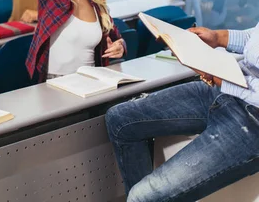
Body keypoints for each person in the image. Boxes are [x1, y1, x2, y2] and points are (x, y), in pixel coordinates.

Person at [105, 24, 259, 201]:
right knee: (121, 120)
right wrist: (219, 37)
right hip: (228, 89)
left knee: (140, 197)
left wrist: (223, 79)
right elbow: (255, 38)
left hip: (252, 120)